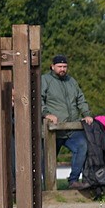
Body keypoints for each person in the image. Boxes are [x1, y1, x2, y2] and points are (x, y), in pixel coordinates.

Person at [40, 54, 94, 189]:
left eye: (65, 66)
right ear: (52, 66)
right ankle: (46, 187)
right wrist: (46, 114)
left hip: (72, 128)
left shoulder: (72, 81)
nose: (62, 69)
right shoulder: (45, 80)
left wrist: (86, 114)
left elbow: (80, 98)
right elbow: (38, 99)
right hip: (53, 130)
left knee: (83, 146)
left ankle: (74, 180)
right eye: (59, 66)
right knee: (46, 159)